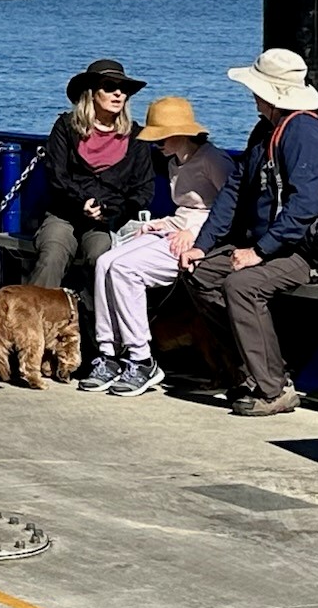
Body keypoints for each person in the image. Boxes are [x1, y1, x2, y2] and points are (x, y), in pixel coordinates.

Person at [185, 47, 318, 416]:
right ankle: (256, 366)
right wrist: (203, 245)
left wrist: (259, 252)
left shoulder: (303, 132)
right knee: (201, 274)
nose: (252, 96)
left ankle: (273, 389)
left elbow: (305, 207)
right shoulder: (265, 131)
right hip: (271, 247)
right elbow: (234, 190)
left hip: (306, 252)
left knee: (242, 286)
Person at [78, 93, 230, 397]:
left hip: (202, 238)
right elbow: (187, 207)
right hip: (178, 226)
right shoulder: (175, 159)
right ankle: (109, 353)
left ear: (180, 134)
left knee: (126, 270)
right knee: (106, 262)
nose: (155, 143)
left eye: (160, 137)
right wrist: (163, 223)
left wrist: (197, 234)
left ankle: (142, 359)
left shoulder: (213, 159)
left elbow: (232, 207)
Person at [28, 58, 155, 366]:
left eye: (123, 89)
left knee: (102, 259)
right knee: (52, 254)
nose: (118, 94)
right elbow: (56, 175)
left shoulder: (137, 138)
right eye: (110, 87)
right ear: (91, 93)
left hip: (106, 222)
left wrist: (111, 211)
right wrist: (80, 201)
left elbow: (144, 191)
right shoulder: (66, 127)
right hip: (65, 213)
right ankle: (33, 343)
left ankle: (99, 347)